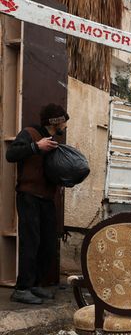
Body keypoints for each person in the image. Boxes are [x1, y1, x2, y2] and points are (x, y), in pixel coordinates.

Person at [5, 103, 69, 305]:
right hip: (29, 196)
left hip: (47, 199)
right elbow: (11, 155)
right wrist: (36, 147)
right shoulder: (30, 133)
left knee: (47, 244)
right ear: (56, 122)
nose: (66, 126)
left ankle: (35, 285)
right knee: (30, 243)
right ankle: (21, 289)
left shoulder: (53, 141)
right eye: (64, 122)